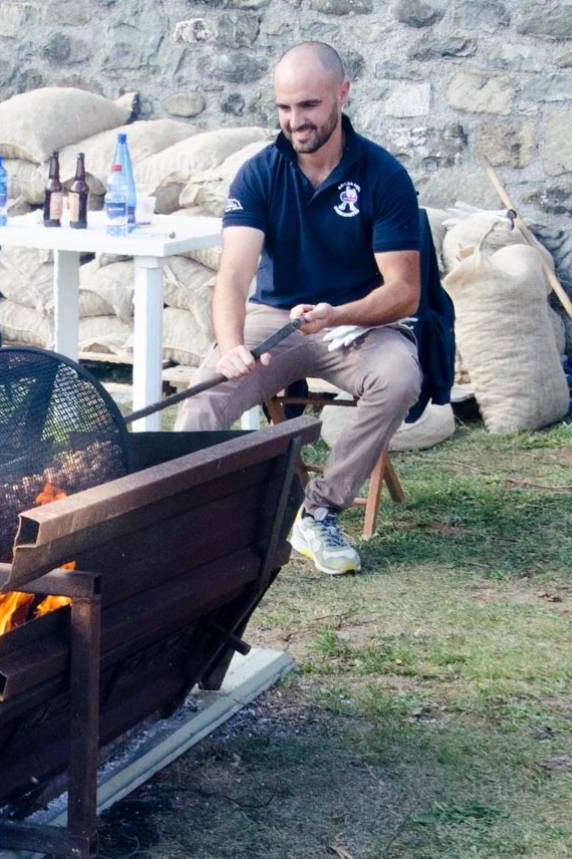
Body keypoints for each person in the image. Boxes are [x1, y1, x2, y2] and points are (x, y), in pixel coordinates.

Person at [175, 41, 423, 576]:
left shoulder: (383, 175)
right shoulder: (258, 173)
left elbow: (404, 292)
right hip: (278, 319)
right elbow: (232, 276)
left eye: (309, 105)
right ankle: (186, 527)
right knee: (201, 400)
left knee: (399, 376)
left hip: (357, 322)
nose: (295, 121)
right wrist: (231, 345)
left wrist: (339, 314)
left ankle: (319, 513)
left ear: (342, 94)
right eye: (284, 107)